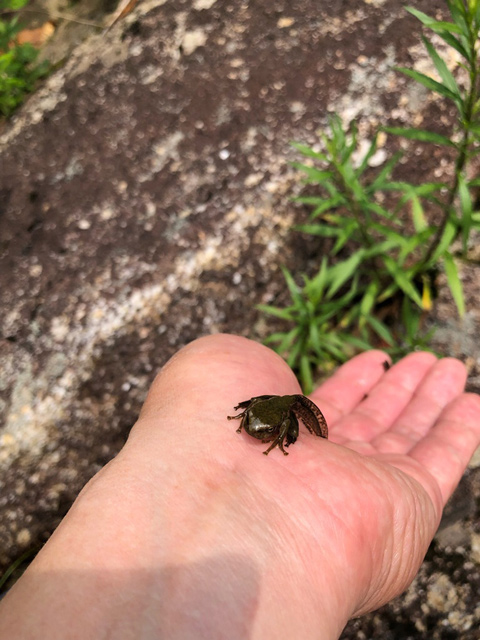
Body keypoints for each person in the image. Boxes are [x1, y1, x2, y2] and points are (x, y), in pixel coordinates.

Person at [0, 334, 479, 639]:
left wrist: (281, 442)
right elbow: (256, 406)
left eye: (263, 430)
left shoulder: (285, 415)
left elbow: (283, 417)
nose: (256, 432)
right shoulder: (259, 410)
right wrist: (242, 416)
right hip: (268, 403)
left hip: (280, 406)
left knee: (289, 414)